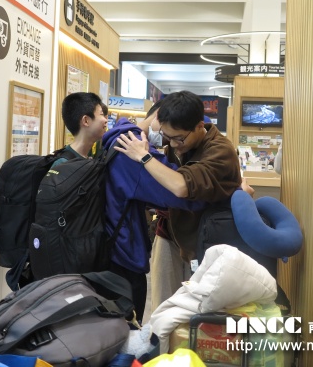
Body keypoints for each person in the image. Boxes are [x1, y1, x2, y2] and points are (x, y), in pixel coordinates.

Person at [114, 90, 244, 311]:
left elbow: (181, 186)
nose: (173, 144)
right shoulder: (177, 137)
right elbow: (142, 131)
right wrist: (152, 122)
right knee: (163, 309)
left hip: (206, 243)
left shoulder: (221, 151)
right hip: (170, 233)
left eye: (179, 138)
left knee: (199, 313)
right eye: (167, 136)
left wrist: (144, 157)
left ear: (199, 126)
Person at [101, 99, 204, 321]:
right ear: (159, 117)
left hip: (110, 245)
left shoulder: (118, 136)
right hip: (124, 255)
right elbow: (179, 192)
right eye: (170, 134)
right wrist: (226, 191)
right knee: (129, 327)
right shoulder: (132, 148)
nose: (171, 142)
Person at [53, 92, 108, 166]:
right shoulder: (62, 164)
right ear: (86, 121)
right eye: (101, 114)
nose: (105, 120)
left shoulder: (87, 159)